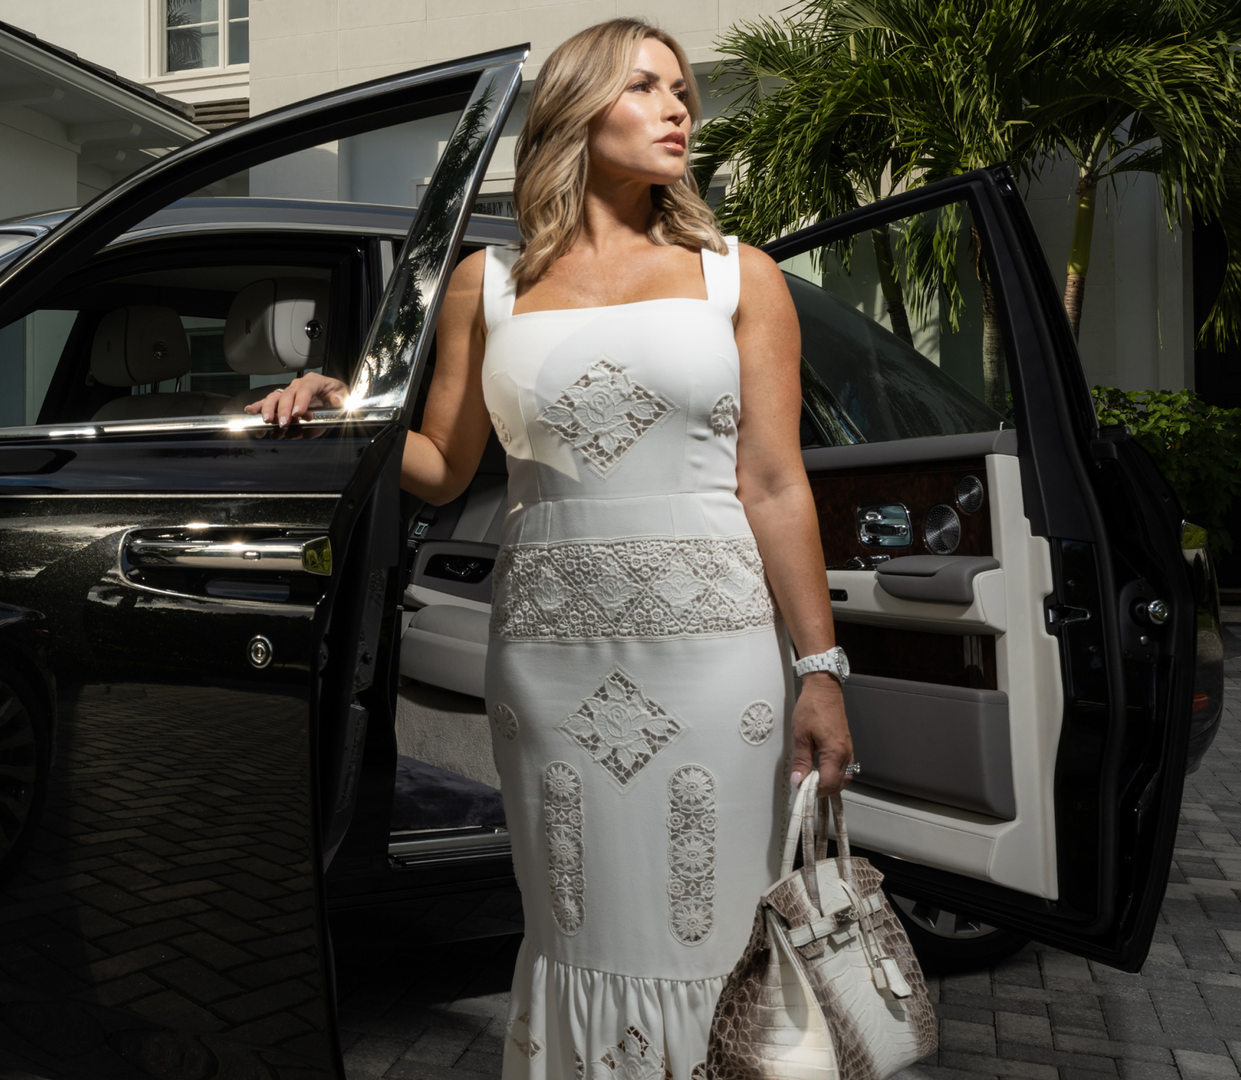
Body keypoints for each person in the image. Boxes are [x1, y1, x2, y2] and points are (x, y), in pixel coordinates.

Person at [250, 19, 854, 1080]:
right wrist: (350, 412)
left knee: (715, 929)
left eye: (683, 93)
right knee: (575, 925)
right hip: (552, 661)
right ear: (577, 110)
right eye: (648, 87)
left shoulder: (738, 278)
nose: (680, 109)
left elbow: (774, 481)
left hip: (718, 661)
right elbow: (440, 462)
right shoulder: (489, 285)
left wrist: (820, 670)